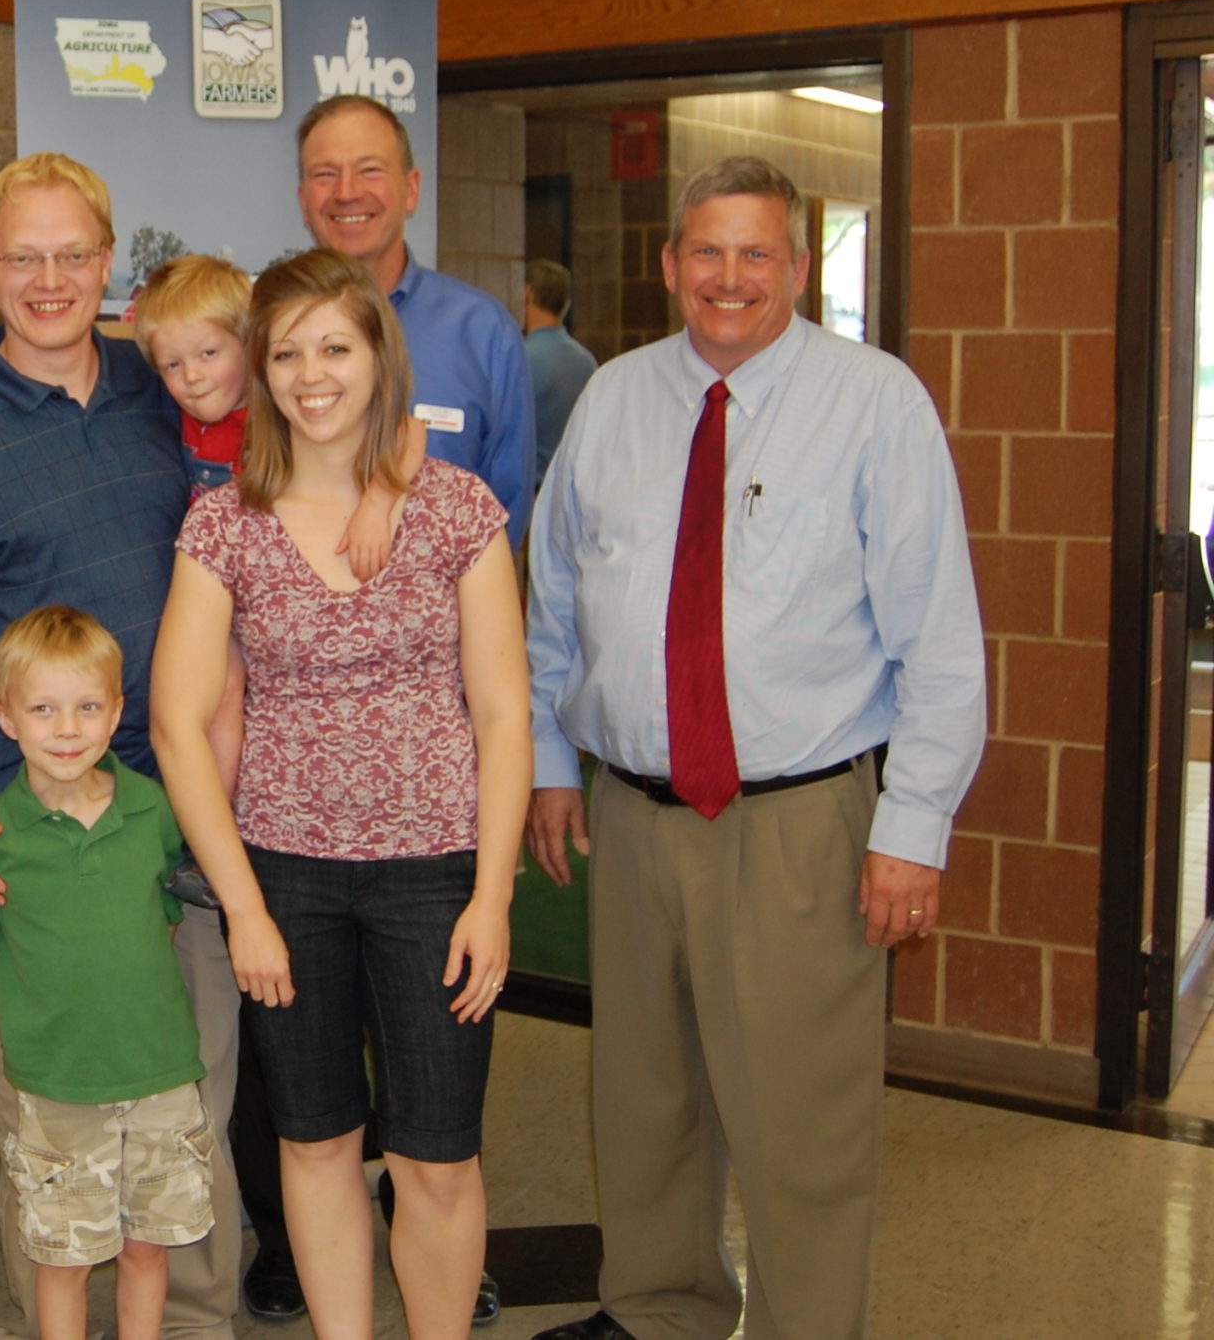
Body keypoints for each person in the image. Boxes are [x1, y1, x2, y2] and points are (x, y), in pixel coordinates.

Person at [523, 156, 985, 1340]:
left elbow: (935, 635)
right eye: (706, 253)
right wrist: (550, 764)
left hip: (799, 826)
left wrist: (912, 828)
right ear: (671, 264)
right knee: (644, 1096)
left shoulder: (875, 404)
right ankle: (659, 1308)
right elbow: (555, 601)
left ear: (795, 268)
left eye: (757, 254)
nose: (729, 278)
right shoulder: (615, 400)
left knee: (801, 1119)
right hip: (632, 812)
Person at [0, 152, 240, 1340]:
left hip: (178, 810)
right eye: (22, 256)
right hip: (32, 841)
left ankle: (191, 1324)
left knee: (193, 1104)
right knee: (59, 1135)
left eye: (72, 253)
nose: (48, 278)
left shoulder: (162, 393)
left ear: (108, 266)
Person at [151, 249, 531, 1340]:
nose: (313, 374)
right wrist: (246, 906)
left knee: (436, 1153)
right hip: (285, 880)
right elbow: (177, 724)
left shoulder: (455, 511)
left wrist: (492, 896)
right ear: (259, 372)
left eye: (336, 347)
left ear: (377, 357)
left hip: (436, 875)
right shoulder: (225, 523)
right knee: (314, 1140)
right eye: (287, 352)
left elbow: (504, 713)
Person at [0, 606, 215, 1340]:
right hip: (57, 1090)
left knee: (149, 1250)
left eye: (88, 708)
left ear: (117, 711)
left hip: (159, 1074)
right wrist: (17, 1017)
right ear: (6, 717)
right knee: (66, 1259)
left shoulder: (152, 809)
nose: (66, 729)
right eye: (44, 709)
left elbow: (162, 920)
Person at [295, 95, 534, 547]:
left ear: (411, 189)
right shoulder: (262, 332)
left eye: (369, 169)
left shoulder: (484, 334)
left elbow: (505, 516)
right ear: (304, 201)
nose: (346, 191)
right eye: (325, 174)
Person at [521, 259, 596, 484]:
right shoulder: (587, 361)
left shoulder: (522, 359)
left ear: (527, 293)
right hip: (572, 485)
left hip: (532, 488)